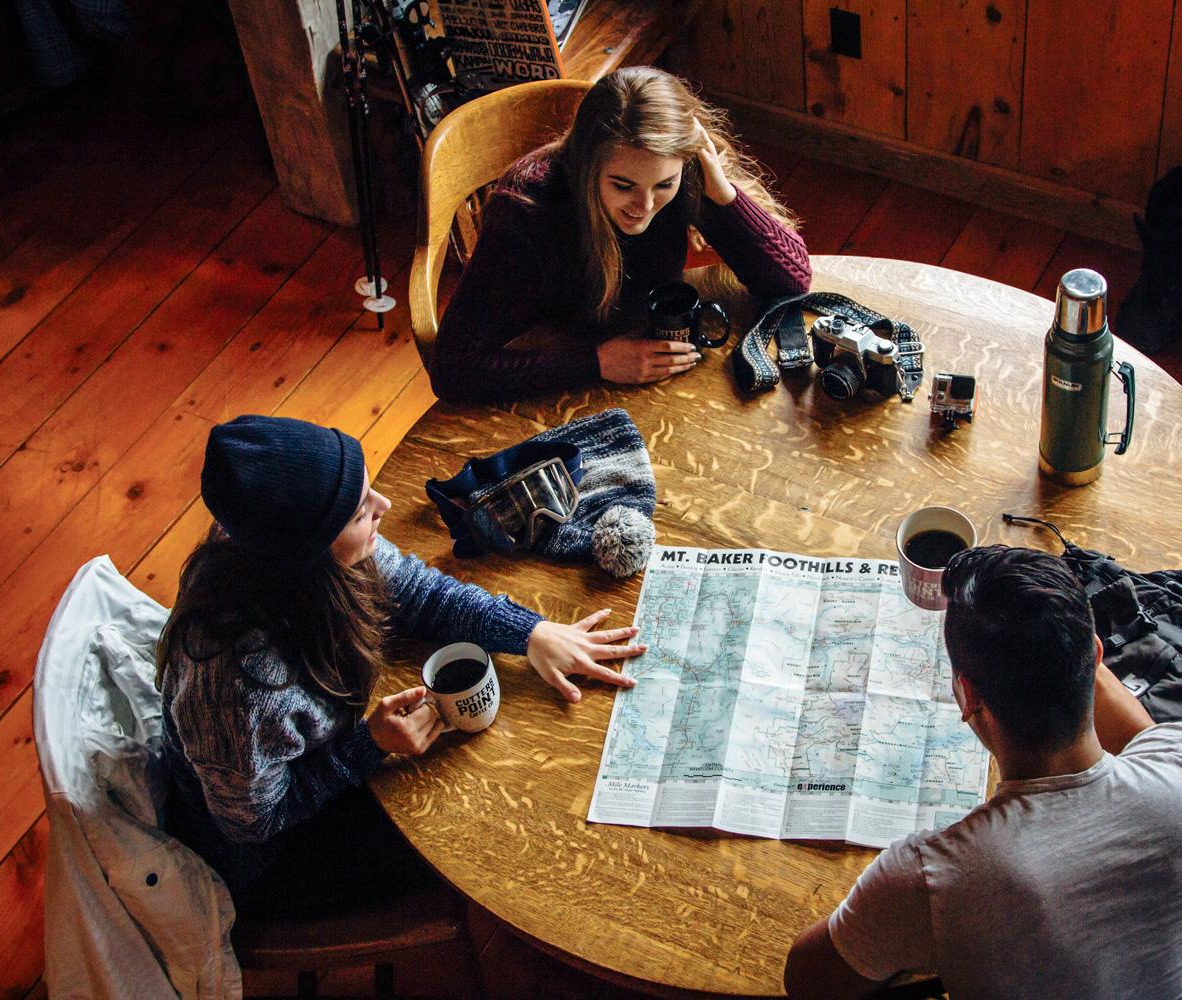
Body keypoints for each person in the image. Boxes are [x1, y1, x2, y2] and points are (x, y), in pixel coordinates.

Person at [156, 414, 645, 909]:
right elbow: (254, 823)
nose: (383, 506)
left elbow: (417, 591)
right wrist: (368, 745)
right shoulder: (239, 688)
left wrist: (531, 633)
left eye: (367, 492)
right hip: (275, 856)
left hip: (315, 764)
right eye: (359, 514)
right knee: (498, 849)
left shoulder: (280, 542)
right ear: (306, 554)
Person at [784, 545, 1182, 1000]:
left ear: (966, 696)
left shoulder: (935, 880)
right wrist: (1064, 637)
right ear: (1099, 653)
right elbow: (1142, 738)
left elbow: (808, 982)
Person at [429, 65, 811, 402]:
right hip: (557, 371)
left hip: (648, 364)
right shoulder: (528, 213)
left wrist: (722, 192)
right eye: (623, 185)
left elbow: (793, 279)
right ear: (587, 165)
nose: (643, 205)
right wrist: (596, 362)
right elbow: (453, 369)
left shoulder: (688, 178)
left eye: (664, 184)